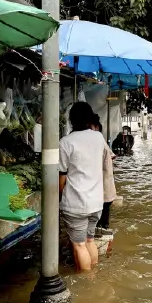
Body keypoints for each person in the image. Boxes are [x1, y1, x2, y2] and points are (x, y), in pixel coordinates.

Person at [59, 101, 104, 271]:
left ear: (71, 119)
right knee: (90, 240)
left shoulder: (66, 142)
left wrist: (58, 196)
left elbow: (61, 176)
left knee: (79, 245)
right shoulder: (98, 137)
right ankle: (94, 276)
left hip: (76, 203)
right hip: (96, 202)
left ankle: (87, 280)